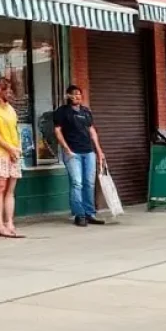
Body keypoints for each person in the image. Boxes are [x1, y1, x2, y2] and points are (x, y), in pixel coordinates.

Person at [53, 84, 106, 227]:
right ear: (68, 96)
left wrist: (99, 151)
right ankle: (79, 214)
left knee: (89, 183)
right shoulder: (62, 112)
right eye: (74, 94)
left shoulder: (86, 112)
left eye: (79, 94)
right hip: (72, 152)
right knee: (77, 183)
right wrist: (66, 149)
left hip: (88, 152)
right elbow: (57, 131)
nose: (77, 97)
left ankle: (90, 214)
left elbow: (92, 131)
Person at [0, 77, 24, 239]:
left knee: (10, 190)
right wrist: (10, 148)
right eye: (4, 89)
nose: (8, 92)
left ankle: (10, 223)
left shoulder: (11, 110)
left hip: (13, 153)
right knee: (0, 188)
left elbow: (15, 130)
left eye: (9, 89)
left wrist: (18, 149)